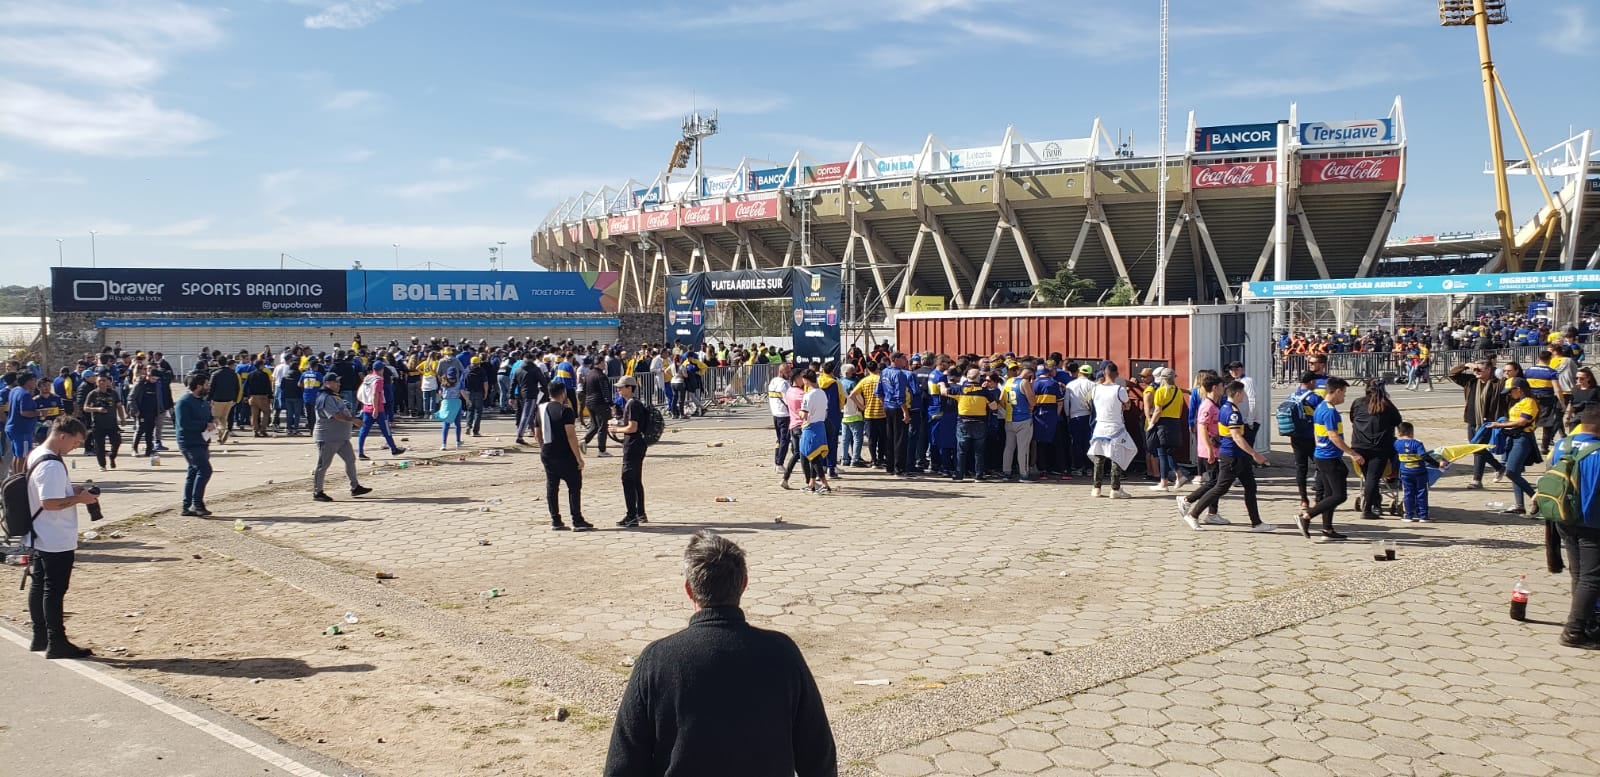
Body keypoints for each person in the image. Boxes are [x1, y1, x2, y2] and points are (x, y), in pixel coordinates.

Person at [604, 530, 836, 777]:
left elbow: (622, 764)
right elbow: (819, 757)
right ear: (744, 583)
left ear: (689, 589)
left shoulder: (657, 660)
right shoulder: (782, 653)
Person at [24, 417, 98, 659]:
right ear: (63, 436)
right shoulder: (52, 465)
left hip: (38, 532)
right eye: (75, 442)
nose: (74, 448)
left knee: (39, 585)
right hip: (54, 535)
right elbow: (50, 503)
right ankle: (57, 641)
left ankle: (40, 636)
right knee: (54, 590)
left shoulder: (37, 454)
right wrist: (79, 499)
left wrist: (71, 491)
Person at [1178, 381, 1274, 533]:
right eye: (1242, 393)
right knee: (1220, 487)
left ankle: (1257, 522)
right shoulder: (1232, 412)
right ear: (1237, 394)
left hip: (1239, 456)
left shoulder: (1225, 408)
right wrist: (1255, 454)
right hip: (1232, 456)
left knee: (1250, 486)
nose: (1244, 396)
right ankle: (1193, 514)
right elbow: (1236, 437)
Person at [1552, 405, 1600, 650]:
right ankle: (1574, 631)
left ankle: (1585, 619)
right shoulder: (1598, 452)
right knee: (1592, 578)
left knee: (1579, 574)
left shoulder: (1563, 445)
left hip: (1564, 517)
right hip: (1592, 522)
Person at [1303, 376, 1358, 541]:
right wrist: (1353, 453)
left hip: (1321, 455)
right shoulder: (1330, 411)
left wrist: (1318, 446)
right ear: (1337, 391)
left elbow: (1316, 432)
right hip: (1329, 458)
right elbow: (1334, 436)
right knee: (1339, 495)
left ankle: (1327, 529)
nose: (1344, 397)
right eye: (1344, 393)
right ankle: (1307, 515)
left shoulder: (1320, 407)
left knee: (1329, 495)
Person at [537, 381, 592, 532]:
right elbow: (571, 435)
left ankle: (555, 519)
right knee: (574, 486)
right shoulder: (566, 410)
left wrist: (543, 448)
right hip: (565, 454)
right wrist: (578, 457)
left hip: (548, 452)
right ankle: (577, 519)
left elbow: (537, 433)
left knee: (552, 486)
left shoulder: (541, 409)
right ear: (563, 393)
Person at [311, 373, 372, 502]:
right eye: (335, 382)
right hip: (328, 438)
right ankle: (318, 492)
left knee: (350, 459)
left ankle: (355, 487)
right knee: (323, 465)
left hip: (341, 438)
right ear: (327, 383)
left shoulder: (334, 396)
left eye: (338, 382)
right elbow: (336, 415)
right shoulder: (325, 398)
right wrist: (353, 420)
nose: (338, 384)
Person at [1449, 359, 1509, 488]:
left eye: (1479, 370)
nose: (1476, 372)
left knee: (1477, 448)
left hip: (1488, 421)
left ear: (1488, 370)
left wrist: (1501, 374)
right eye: (1474, 369)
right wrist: (1465, 365)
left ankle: (1477, 480)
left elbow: (1508, 384)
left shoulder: (1496, 383)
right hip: (1472, 419)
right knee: (1476, 448)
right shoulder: (1470, 381)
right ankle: (1499, 467)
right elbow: (1452, 374)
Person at [1349, 381, 1403, 521]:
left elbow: (1352, 418)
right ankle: (1368, 508)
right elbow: (1398, 421)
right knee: (1373, 477)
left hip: (1359, 445)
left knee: (1369, 477)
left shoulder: (1358, 403)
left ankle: (1375, 502)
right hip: (1379, 447)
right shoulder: (1387, 405)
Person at [1490, 377, 1541, 515]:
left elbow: (1522, 422)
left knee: (1511, 471)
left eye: (1510, 392)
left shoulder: (1530, 402)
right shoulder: (1520, 402)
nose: (1509, 395)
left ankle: (1536, 497)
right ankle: (1519, 505)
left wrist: (1500, 425)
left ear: (1518, 389)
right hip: (1514, 437)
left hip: (1523, 438)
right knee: (1515, 472)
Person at [1180, 373, 1224, 525]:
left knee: (1217, 482)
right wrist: (1210, 450)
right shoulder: (1207, 406)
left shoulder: (1215, 404)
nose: (1223, 389)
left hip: (1216, 448)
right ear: (1214, 388)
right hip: (1209, 450)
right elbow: (1203, 428)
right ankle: (1188, 500)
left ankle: (1213, 513)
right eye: (1221, 386)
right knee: (1214, 483)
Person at [1088, 362, 1134, 499]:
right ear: (1116, 374)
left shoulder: (1095, 389)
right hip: (1115, 426)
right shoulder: (1119, 389)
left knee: (1099, 457)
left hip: (1100, 426)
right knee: (1116, 457)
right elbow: (1127, 406)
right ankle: (1115, 488)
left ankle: (1096, 487)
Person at [173, 374, 215, 517]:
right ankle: (196, 504)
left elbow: (208, 417)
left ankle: (187, 505)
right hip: (189, 443)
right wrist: (204, 425)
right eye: (206, 384)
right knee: (204, 470)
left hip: (202, 441)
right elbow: (184, 424)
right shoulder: (184, 402)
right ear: (198, 386)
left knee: (193, 472)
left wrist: (211, 423)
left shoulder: (202, 401)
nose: (208, 387)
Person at [612, 376, 650, 527]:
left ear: (630, 388)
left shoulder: (632, 404)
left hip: (633, 446)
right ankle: (640, 513)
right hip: (638, 444)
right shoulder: (633, 404)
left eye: (621, 387)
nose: (618, 390)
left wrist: (617, 429)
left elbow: (632, 427)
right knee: (635, 480)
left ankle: (632, 515)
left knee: (627, 479)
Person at [1284, 372, 1323, 511]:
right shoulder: (1315, 398)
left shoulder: (1292, 396)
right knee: (1320, 467)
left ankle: (1303, 499)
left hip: (1295, 436)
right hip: (1312, 437)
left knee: (1301, 468)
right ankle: (1318, 498)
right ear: (1311, 382)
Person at [1144, 367, 1186, 491]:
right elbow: (1180, 409)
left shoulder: (1161, 391)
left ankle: (1164, 482)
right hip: (1175, 422)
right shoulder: (1178, 391)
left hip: (1163, 423)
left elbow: (1158, 410)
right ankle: (1178, 475)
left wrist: (1151, 423)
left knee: (1162, 453)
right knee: (1169, 452)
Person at [954, 368, 997, 482]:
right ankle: (978, 475)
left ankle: (959, 474)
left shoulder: (959, 389)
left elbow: (944, 392)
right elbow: (994, 407)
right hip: (980, 423)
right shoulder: (985, 391)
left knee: (961, 451)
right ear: (978, 377)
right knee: (979, 452)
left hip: (963, 422)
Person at [356, 361, 406, 460]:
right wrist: (375, 408)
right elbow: (375, 394)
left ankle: (360, 452)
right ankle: (393, 449)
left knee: (364, 430)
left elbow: (361, 392)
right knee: (386, 430)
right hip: (378, 408)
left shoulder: (368, 378)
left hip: (366, 407)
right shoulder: (378, 380)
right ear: (382, 369)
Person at [875, 353, 913, 477]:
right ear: (896, 360)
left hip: (887, 406)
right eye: (903, 359)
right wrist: (905, 412)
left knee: (890, 437)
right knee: (900, 439)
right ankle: (899, 468)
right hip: (897, 408)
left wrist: (884, 404)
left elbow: (879, 391)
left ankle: (890, 466)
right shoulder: (899, 374)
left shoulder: (884, 372)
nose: (905, 361)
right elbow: (899, 395)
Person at [1393, 422, 1438, 523]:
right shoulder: (1417, 444)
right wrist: (1438, 464)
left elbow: (1394, 458)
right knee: (1421, 493)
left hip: (1405, 473)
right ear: (1412, 433)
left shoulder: (1396, 444)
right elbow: (1424, 456)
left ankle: (1408, 515)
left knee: (1408, 493)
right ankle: (1423, 516)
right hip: (1420, 473)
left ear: (1399, 433)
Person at [797, 369, 833, 494]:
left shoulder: (808, 395)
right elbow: (826, 411)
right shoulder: (822, 393)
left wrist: (798, 411)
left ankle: (824, 484)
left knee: (813, 457)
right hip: (820, 425)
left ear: (806, 380)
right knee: (812, 455)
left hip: (810, 427)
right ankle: (812, 483)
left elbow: (804, 414)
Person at [80, 374, 124, 471]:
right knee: (99, 446)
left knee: (117, 442)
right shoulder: (93, 394)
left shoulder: (113, 393)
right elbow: (85, 408)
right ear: (96, 382)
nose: (102, 383)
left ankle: (112, 456)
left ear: (108, 382)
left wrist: (122, 419)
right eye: (99, 381)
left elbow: (119, 406)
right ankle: (102, 465)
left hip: (112, 423)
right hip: (98, 424)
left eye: (104, 380)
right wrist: (97, 409)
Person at [1001, 364, 1036, 482]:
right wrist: (1031, 386)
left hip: (1010, 418)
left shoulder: (1008, 381)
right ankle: (1024, 474)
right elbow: (1032, 401)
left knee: (1009, 447)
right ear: (1030, 374)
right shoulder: (1024, 383)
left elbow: (1001, 400)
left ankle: (1006, 472)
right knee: (1023, 448)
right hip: (1023, 418)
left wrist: (1008, 409)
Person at [5, 373, 39, 473]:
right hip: (22, 429)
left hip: (13, 427)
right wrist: (38, 413)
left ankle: (16, 475)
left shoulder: (14, 390)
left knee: (17, 455)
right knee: (23, 456)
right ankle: (20, 477)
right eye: (34, 380)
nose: (35, 383)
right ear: (28, 381)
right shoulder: (25, 394)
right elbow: (24, 412)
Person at [581, 359, 614, 456]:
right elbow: (605, 391)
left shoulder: (589, 374)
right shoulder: (601, 376)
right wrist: (610, 403)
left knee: (595, 425)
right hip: (600, 402)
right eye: (604, 363)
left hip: (589, 401)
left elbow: (584, 389)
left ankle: (584, 440)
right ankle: (602, 450)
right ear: (600, 363)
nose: (605, 365)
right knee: (603, 426)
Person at [767, 361, 793, 470]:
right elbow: (788, 400)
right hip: (784, 415)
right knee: (784, 440)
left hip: (775, 414)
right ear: (781, 372)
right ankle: (780, 463)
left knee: (779, 439)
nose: (789, 374)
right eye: (787, 372)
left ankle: (777, 460)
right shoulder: (784, 384)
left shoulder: (773, 381)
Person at [840, 364, 865, 467]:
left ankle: (844, 458)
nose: (855, 373)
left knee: (844, 439)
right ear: (847, 373)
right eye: (853, 371)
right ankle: (855, 459)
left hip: (844, 414)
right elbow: (858, 398)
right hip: (855, 414)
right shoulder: (853, 384)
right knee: (857, 438)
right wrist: (862, 408)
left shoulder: (839, 383)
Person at [438, 365, 465, 450]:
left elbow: (440, 392)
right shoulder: (459, 383)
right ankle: (458, 442)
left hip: (446, 403)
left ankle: (444, 444)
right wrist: (468, 400)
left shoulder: (443, 382)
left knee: (446, 425)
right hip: (456, 403)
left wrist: (443, 398)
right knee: (457, 424)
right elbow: (462, 392)